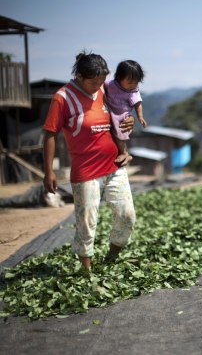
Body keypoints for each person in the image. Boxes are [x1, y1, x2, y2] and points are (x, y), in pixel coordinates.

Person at [43, 50, 136, 271]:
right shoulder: (62, 98)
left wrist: (130, 120)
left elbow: (120, 113)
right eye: (94, 82)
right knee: (86, 222)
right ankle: (86, 272)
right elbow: (49, 134)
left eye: (102, 80)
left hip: (114, 165)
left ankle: (112, 258)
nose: (99, 86)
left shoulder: (105, 90)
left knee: (127, 215)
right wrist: (48, 172)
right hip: (86, 171)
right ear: (80, 77)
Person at [104, 60, 147, 164]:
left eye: (136, 82)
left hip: (122, 114)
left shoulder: (133, 91)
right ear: (119, 78)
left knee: (120, 131)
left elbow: (138, 104)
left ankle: (123, 152)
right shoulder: (110, 84)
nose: (133, 85)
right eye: (129, 82)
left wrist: (140, 117)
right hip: (109, 110)